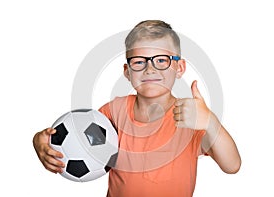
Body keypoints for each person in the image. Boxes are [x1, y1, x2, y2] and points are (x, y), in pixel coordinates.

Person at [33, 20, 241, 197]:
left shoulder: (190, 115)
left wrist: (211, 122)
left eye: (161, 60)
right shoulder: (113, 111)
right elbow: (74, 141)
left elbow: (232, 166)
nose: (150, 69)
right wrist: (40, 142)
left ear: (179, 68)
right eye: (139, 62)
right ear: (127, 71)